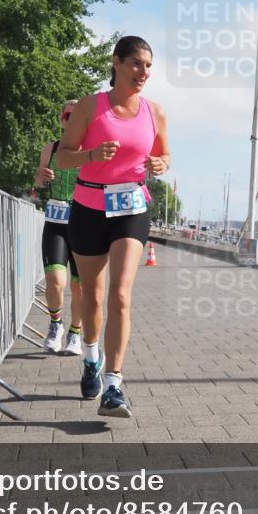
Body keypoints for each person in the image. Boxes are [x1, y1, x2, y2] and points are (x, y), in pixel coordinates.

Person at [57, 36, 170, 418]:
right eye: (137, 64)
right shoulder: (91, 107)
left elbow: (164, 153)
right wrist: (90, 154)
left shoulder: (155, 112)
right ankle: (90, 355)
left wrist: (161, 164)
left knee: (120, 295)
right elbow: (62, 158)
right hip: (89, 206)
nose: (144, 73)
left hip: (131, 208)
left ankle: (113, 385)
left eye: (149, 66)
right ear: (117, 63)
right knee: (92, 295)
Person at [35, 100, 84, 355]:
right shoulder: (51, 148)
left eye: (76, 117)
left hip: (83, 223)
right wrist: (42, 177)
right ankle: (56, 324)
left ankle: (76, 333)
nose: (71, 120)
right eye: (67, 116)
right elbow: (38, 180)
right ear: (61, 120)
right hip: (55, 220)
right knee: (55, 281)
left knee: (80, 286)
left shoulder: (91, 149)